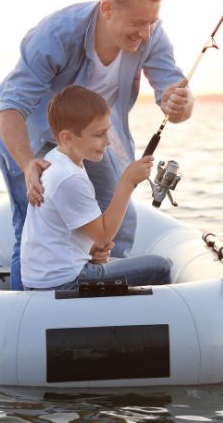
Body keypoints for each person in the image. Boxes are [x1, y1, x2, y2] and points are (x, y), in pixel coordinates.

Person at [0, 0, 194, 290]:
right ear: (107, 9)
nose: (145, 33)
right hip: (27, 134)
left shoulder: (151, 37)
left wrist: (180, 104)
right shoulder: (57, 34)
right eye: (137, 22)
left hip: (86, 137)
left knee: (117, 220)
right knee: (30, 224)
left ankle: (101, 306)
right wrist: (27, 164)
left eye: (151, 22)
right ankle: (30, 314)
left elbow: (175, 100)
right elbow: (12, 108)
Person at [21, 85, 171, 291]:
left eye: (107, 131)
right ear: (67, 138)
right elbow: (104, 235)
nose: (108, 141)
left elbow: (67, 231)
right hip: (64, 282)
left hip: (50, 276)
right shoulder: (69, 177)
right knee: (160, 267)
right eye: (99, 134)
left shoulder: (56, 159)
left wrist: (90, 249)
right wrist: (127, 181)